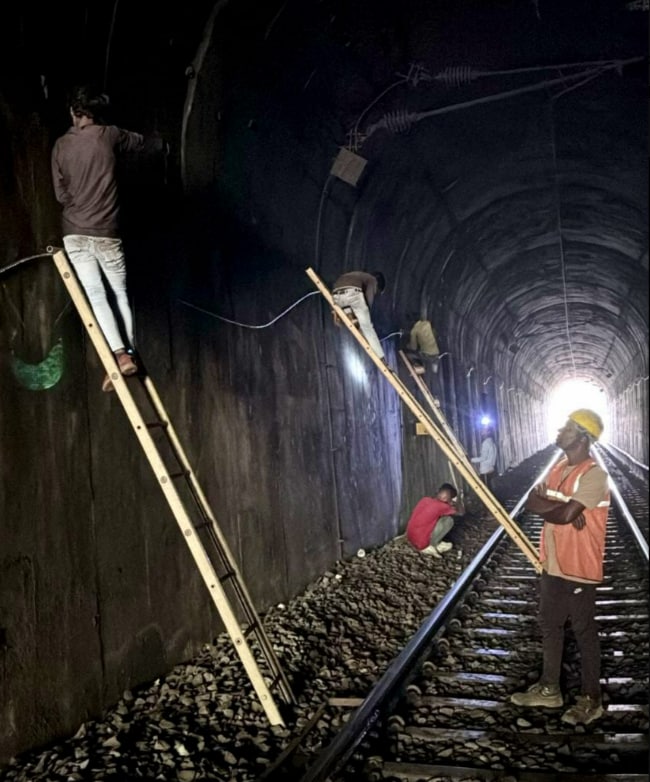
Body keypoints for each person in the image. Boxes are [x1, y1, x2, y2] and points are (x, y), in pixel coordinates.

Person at [51, 85, 164, 392]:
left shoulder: (61, 145)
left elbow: (61, 195)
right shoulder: (109, 135)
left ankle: (117, 355)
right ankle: (126, 355)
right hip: (107, 232)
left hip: (75, 232)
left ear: (74, 113)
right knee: (119, 294)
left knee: (96, 297)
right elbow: (140, 143)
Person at [510, 409, 609, 726]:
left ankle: (592, 700)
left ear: (582, 437)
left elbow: (564, 515)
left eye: (567, 427)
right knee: (549, 623)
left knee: (583, 631)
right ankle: (549, 689)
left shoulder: (594, 475)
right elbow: (532, 501)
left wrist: (559, 510)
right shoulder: (557, 468)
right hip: (552, 563)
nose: (560, 429)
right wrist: (559, 508)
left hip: (579, 567)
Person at [332, 270, 386, 359]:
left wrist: (335, 314)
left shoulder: (357, 276)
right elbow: (368, 300)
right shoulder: (372, 280)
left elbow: (338, 288)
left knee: (350, 308)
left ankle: (351, 316)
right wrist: (365, 317)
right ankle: (381, 356)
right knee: (367, 327)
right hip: (352, 294)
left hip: (337, 296)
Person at [405, 483, 465, 558]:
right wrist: (459, 499)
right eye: (451, 498)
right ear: (447, 499)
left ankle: (427, 542)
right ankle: (432, 544)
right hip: (421, 544)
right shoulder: (443, 506)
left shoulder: (425, 500)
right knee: (448, 520)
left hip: (411, 537)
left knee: (435, 518)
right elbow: (461, 512)